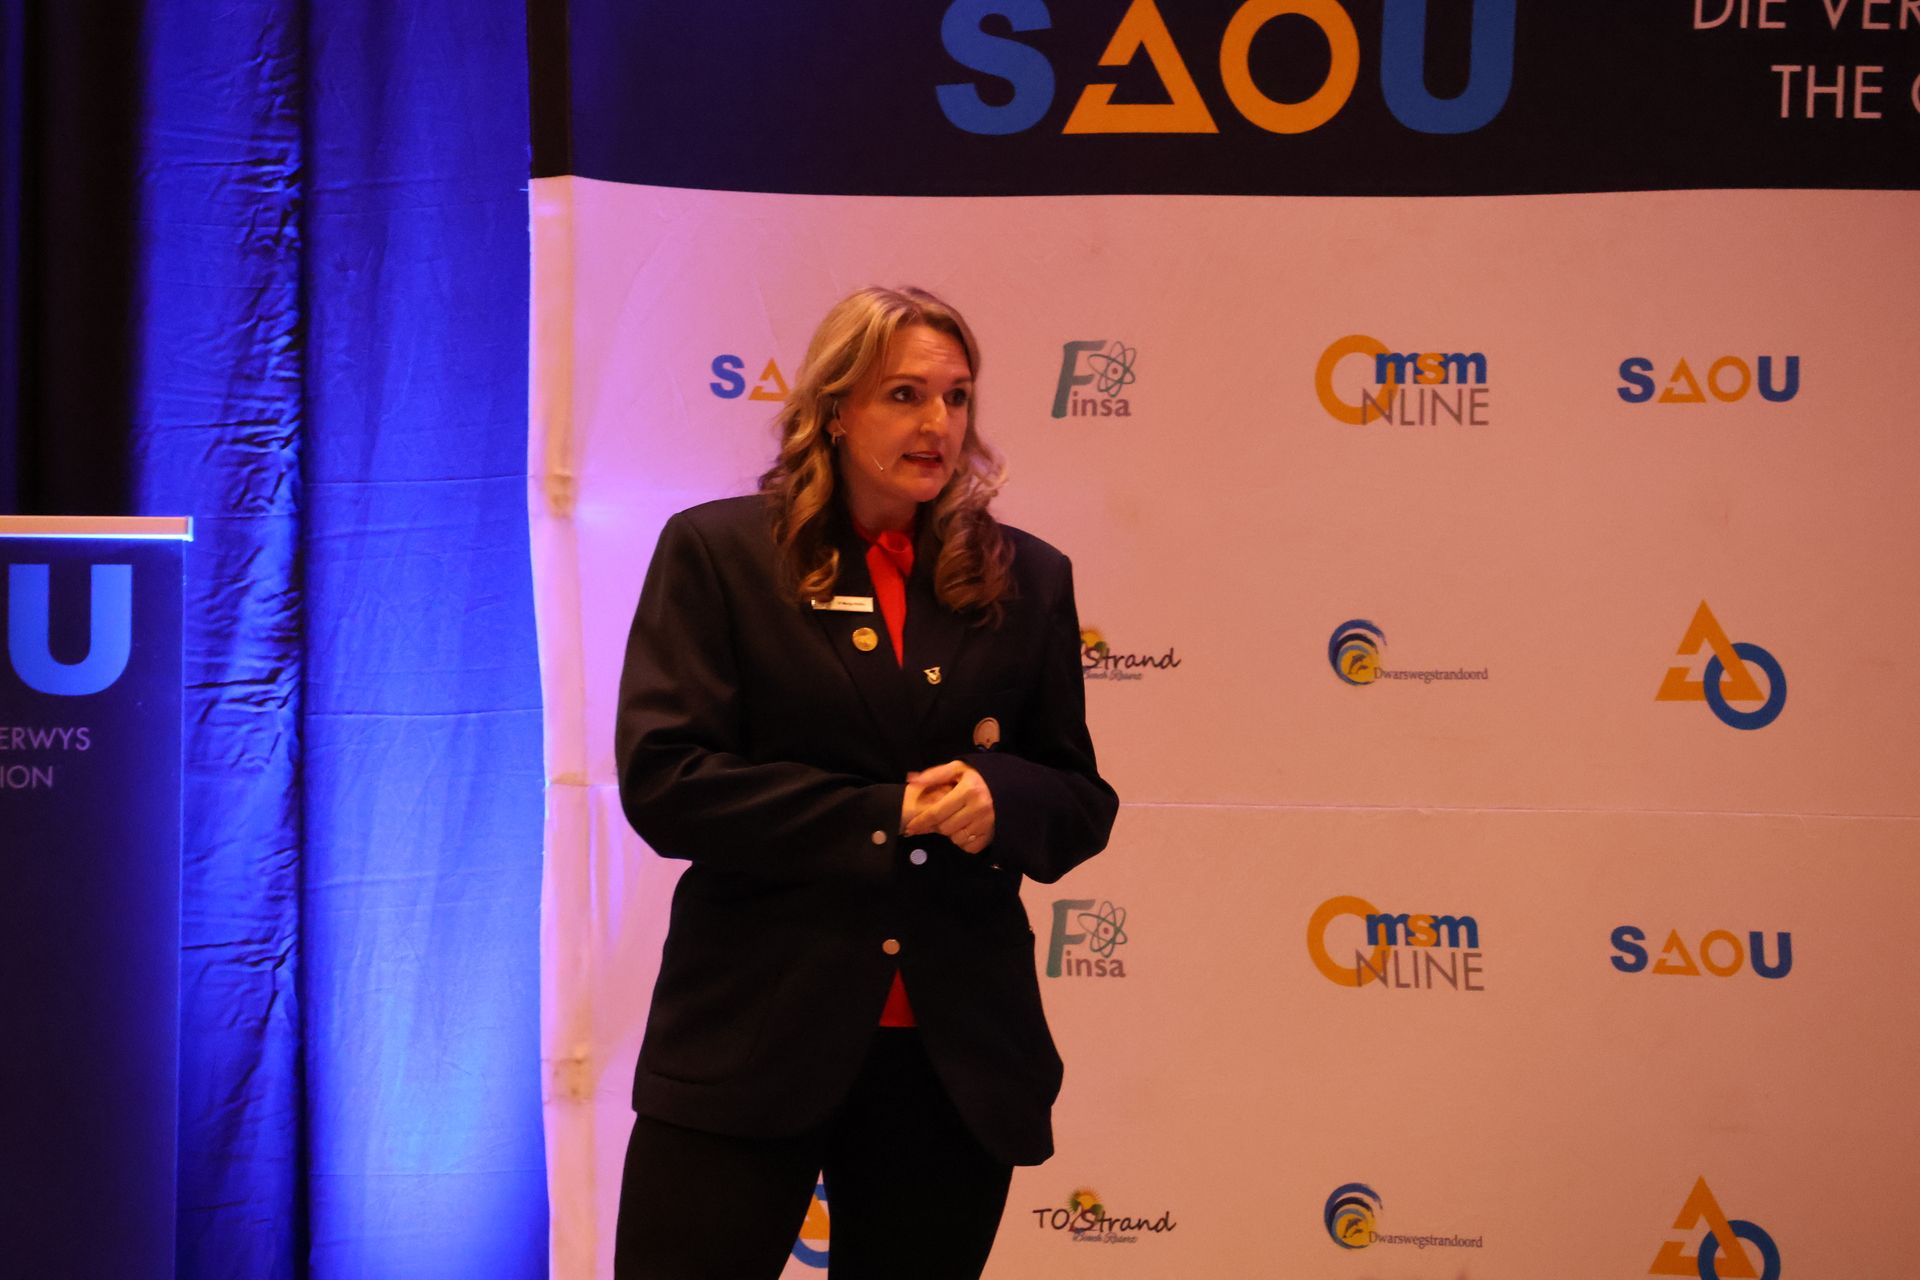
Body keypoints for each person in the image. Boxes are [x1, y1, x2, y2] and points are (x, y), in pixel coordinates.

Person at [611, 285, 1118, 1279]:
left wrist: (1001, 798)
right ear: (837, 409)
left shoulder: (1028, 578)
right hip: (750, 1034)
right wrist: (883, 815)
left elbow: (1079, 799)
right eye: (905, 395)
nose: (938, 424)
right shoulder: (720, 554)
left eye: (957, 396)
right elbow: (667, 781)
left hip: (953, 1055)